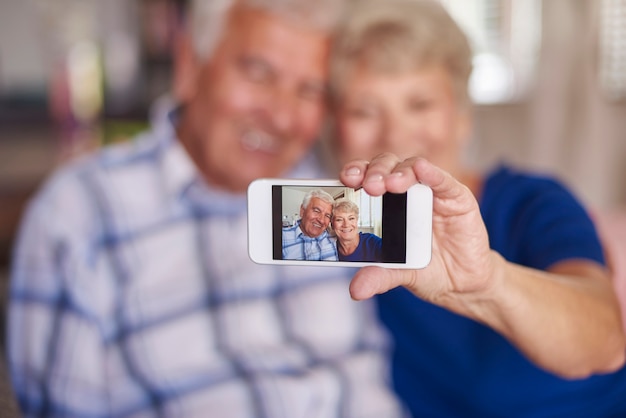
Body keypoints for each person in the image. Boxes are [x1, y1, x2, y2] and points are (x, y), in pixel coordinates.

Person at [6, 0, 405, 416]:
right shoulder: (79, 210)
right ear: (190, 65)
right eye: (258, 72)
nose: (282, 117)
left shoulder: (335, 183)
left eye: (309, 89)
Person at [328, 0, 626, 416]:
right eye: (364, 110)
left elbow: (605, 342)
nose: (394, 133)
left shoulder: (533, 202)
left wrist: (488, 283)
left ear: (462, 115)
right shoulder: (345, 239)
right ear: (335, 127)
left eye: (421, 104)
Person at [282, 189, 338, 260]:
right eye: (316, 211)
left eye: (327, 215)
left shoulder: (334, 238)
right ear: (302, 211)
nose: (321, 220)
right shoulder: (281, 237)